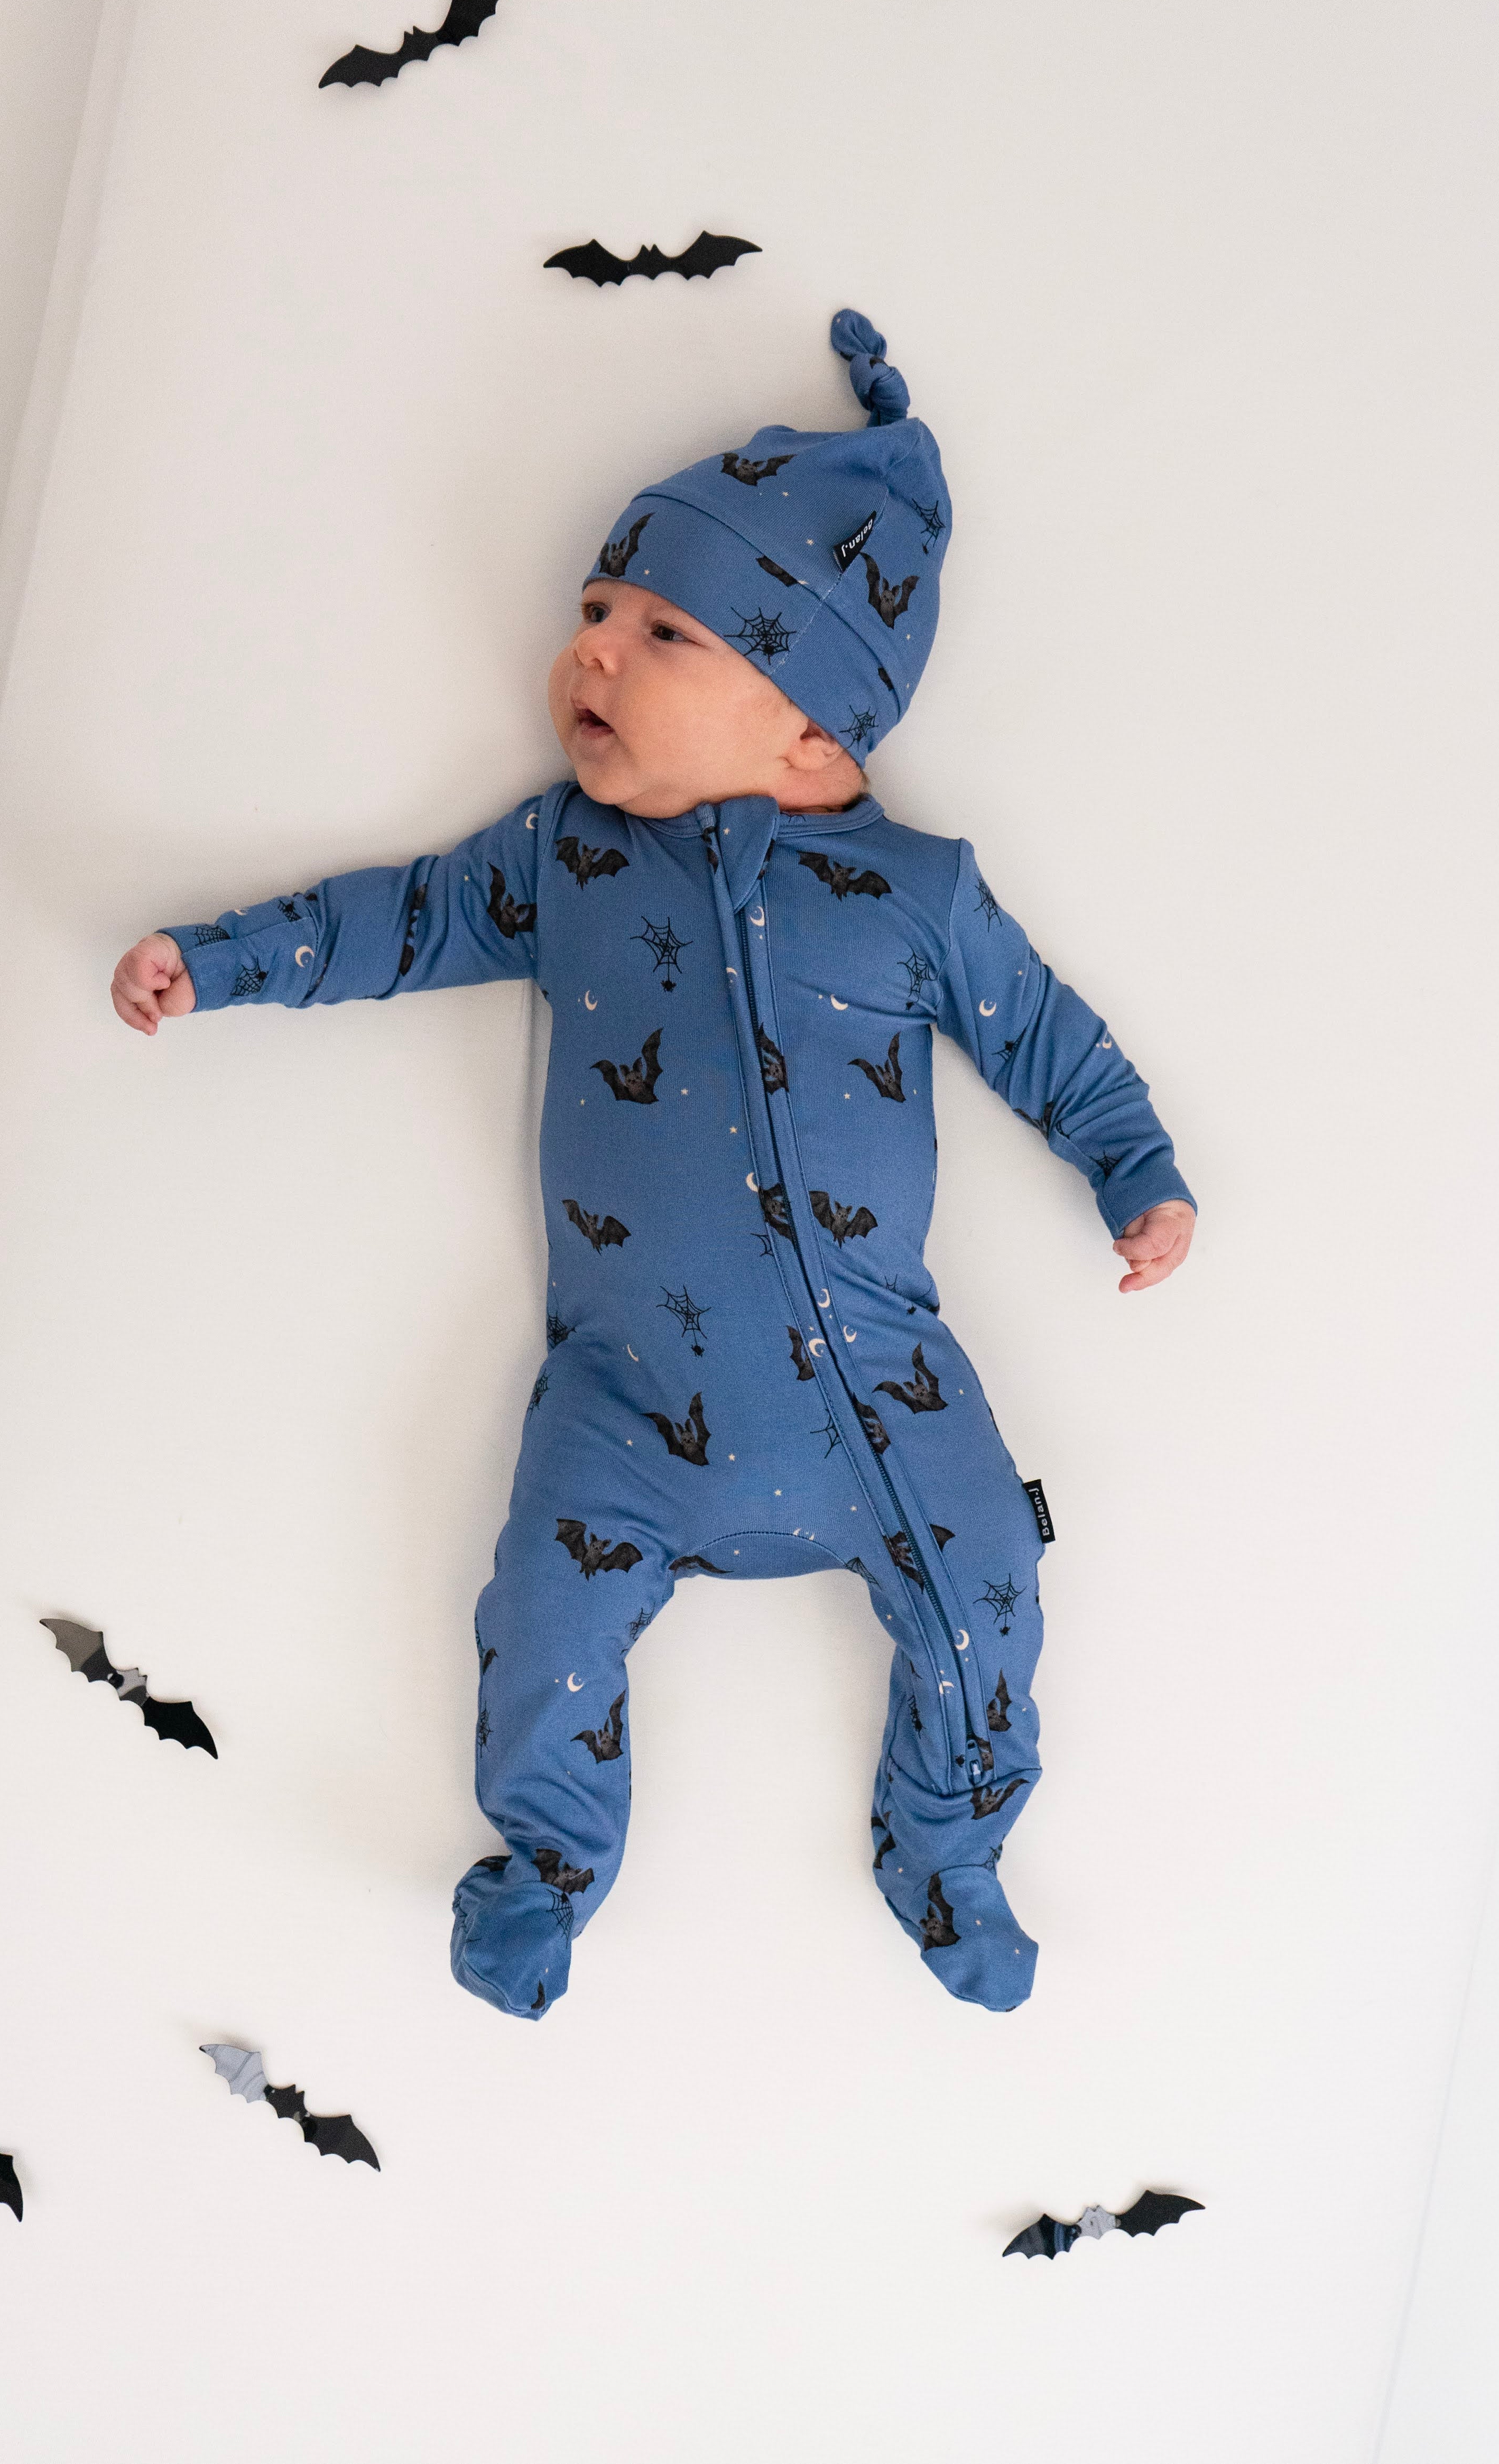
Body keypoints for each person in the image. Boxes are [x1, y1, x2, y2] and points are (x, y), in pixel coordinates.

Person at [110, 310, 1195, 2018]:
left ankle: (948, 1845)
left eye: (660, 629)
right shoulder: (566, 863)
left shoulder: (916, 896)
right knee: (539, 1623)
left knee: (991, 1587)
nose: (592, 654)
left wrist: (1135, 1172)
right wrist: (220, 958)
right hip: (626, 1407)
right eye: (593, 613)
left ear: (810, 735)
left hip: (883, 1395)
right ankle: (548, 1863)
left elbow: (1045, 1039)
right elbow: (400, 917)